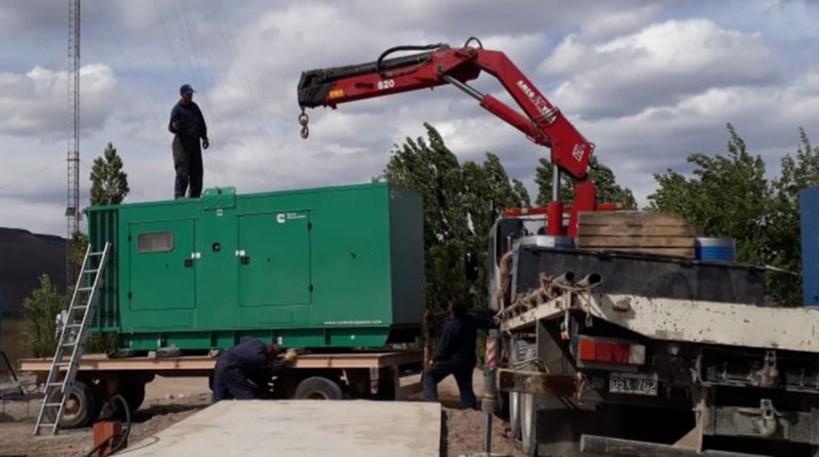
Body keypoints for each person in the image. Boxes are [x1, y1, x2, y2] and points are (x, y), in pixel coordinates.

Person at [423, 297, 497, 409]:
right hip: (467, 360)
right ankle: (470, 410)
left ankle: (431, 403)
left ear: (452, 310)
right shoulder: (471, 319)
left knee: (429, 375)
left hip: (451, 361)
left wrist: (434, 358)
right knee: (465, 387)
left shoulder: (450, 327)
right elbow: (489, 323)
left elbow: (444, 349)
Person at [211, 338, 298, 403]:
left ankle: (216, 415)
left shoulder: (256, 342)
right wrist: (285, 360)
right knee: (246, 395)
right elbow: (273, 369)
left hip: (222, 359)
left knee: (220, 395)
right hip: (230, 367)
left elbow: (243, 339)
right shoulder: (260, 358)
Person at [168, 83, 209, 199]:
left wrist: (204, 137)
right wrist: (175, 126)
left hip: (194, 143)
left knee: (197, 172)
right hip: (181, 145)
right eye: (188, 94)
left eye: (191, 94)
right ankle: (179, 198)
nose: (190, 96)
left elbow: (201, 123)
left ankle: (194, 197)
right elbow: (171, 126)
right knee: (182, 172)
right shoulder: (177, 109)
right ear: (182, 95)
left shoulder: (194, 108)